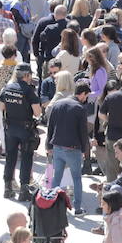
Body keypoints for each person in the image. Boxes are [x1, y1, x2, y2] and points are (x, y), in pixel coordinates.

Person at [45, 81, 91, 214]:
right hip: (73, 148)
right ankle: (77, 208)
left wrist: (49, 144)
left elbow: (50, 126)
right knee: (76, 178)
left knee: (57, 177)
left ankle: (51, 204)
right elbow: (83, 132)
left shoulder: (58, 104)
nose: (86, 99)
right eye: (86, 96)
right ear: (82, 94)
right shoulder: (80, 109)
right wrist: (85, 150)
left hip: (57, 146)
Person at [0, 63, 41, 201]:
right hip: (25, 128)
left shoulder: (7, 87)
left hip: (10, 128)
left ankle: (7, 187)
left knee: (10, 157)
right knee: (26, 158)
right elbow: (37, 112)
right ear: (27, 75)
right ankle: (24, 189)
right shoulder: (28, 91)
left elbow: (1, 106)